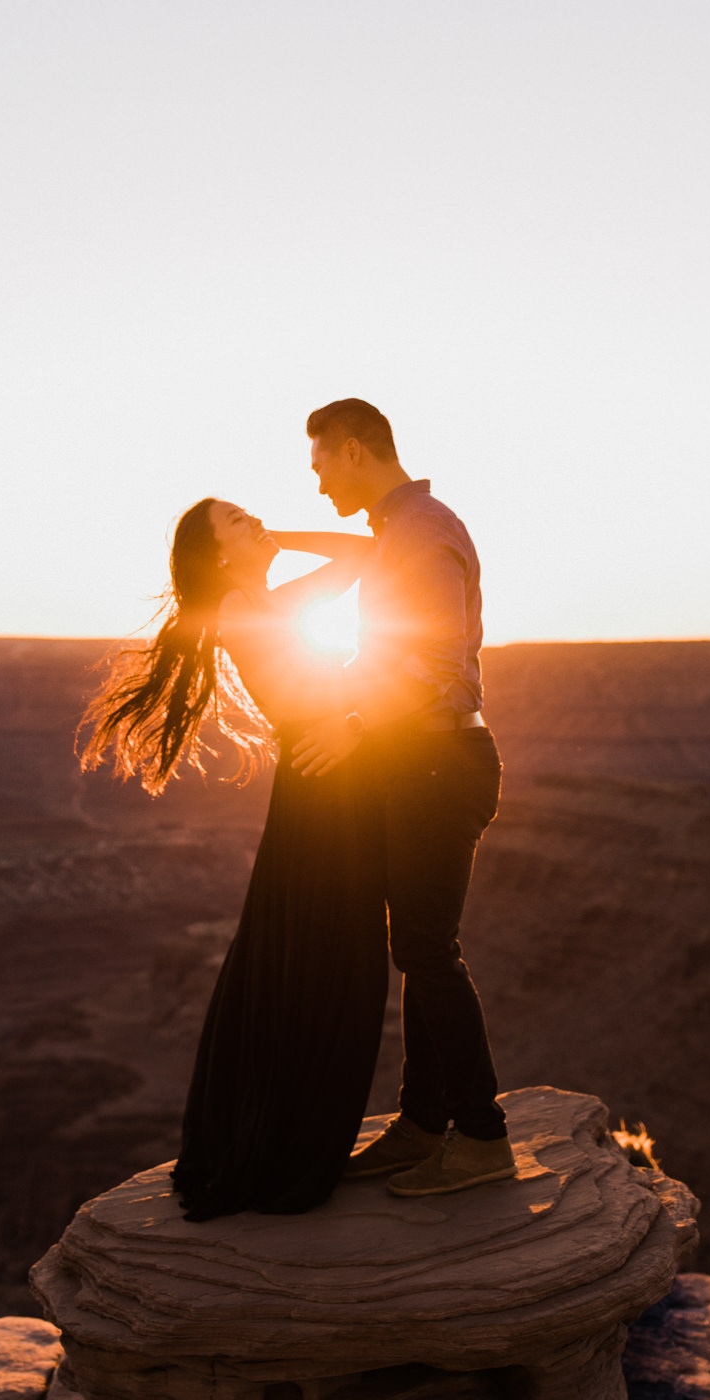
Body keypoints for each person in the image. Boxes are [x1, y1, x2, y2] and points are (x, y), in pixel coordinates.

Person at [78, 496, 388, 1220]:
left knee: (314, 963)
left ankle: (277, 1141)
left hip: (328, 787)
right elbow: (357, 574)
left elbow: (362, 556)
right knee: (328, 964)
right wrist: (352, 723)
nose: (259, 522)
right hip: (326, 790)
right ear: (219, 556)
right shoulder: (250, 614)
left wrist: (269, 537)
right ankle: (278, 1153)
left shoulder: (267, 602)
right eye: (240, 522)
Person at [286, 397, 514, 1198]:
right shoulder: (403, 526)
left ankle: (481, 1138)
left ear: (353, 450)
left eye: (320, 468)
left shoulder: (416, 532)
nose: (317, 486)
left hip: (435, 761)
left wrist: (353, 722)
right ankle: (422, 1126)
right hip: (422, 761)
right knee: (418, 949)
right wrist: (274, 539)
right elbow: (356, 546)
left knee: (427, 953)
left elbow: (439, 657)